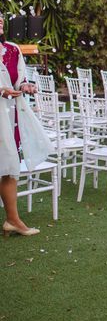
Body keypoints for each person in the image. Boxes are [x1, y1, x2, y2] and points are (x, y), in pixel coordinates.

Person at [0, 14, 53, 236]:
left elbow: (18, 79)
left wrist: (25, 85)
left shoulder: (13, 49)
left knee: (8, 164)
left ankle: (12, 220)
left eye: (0, 19)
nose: (0, 22)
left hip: (7, 116)